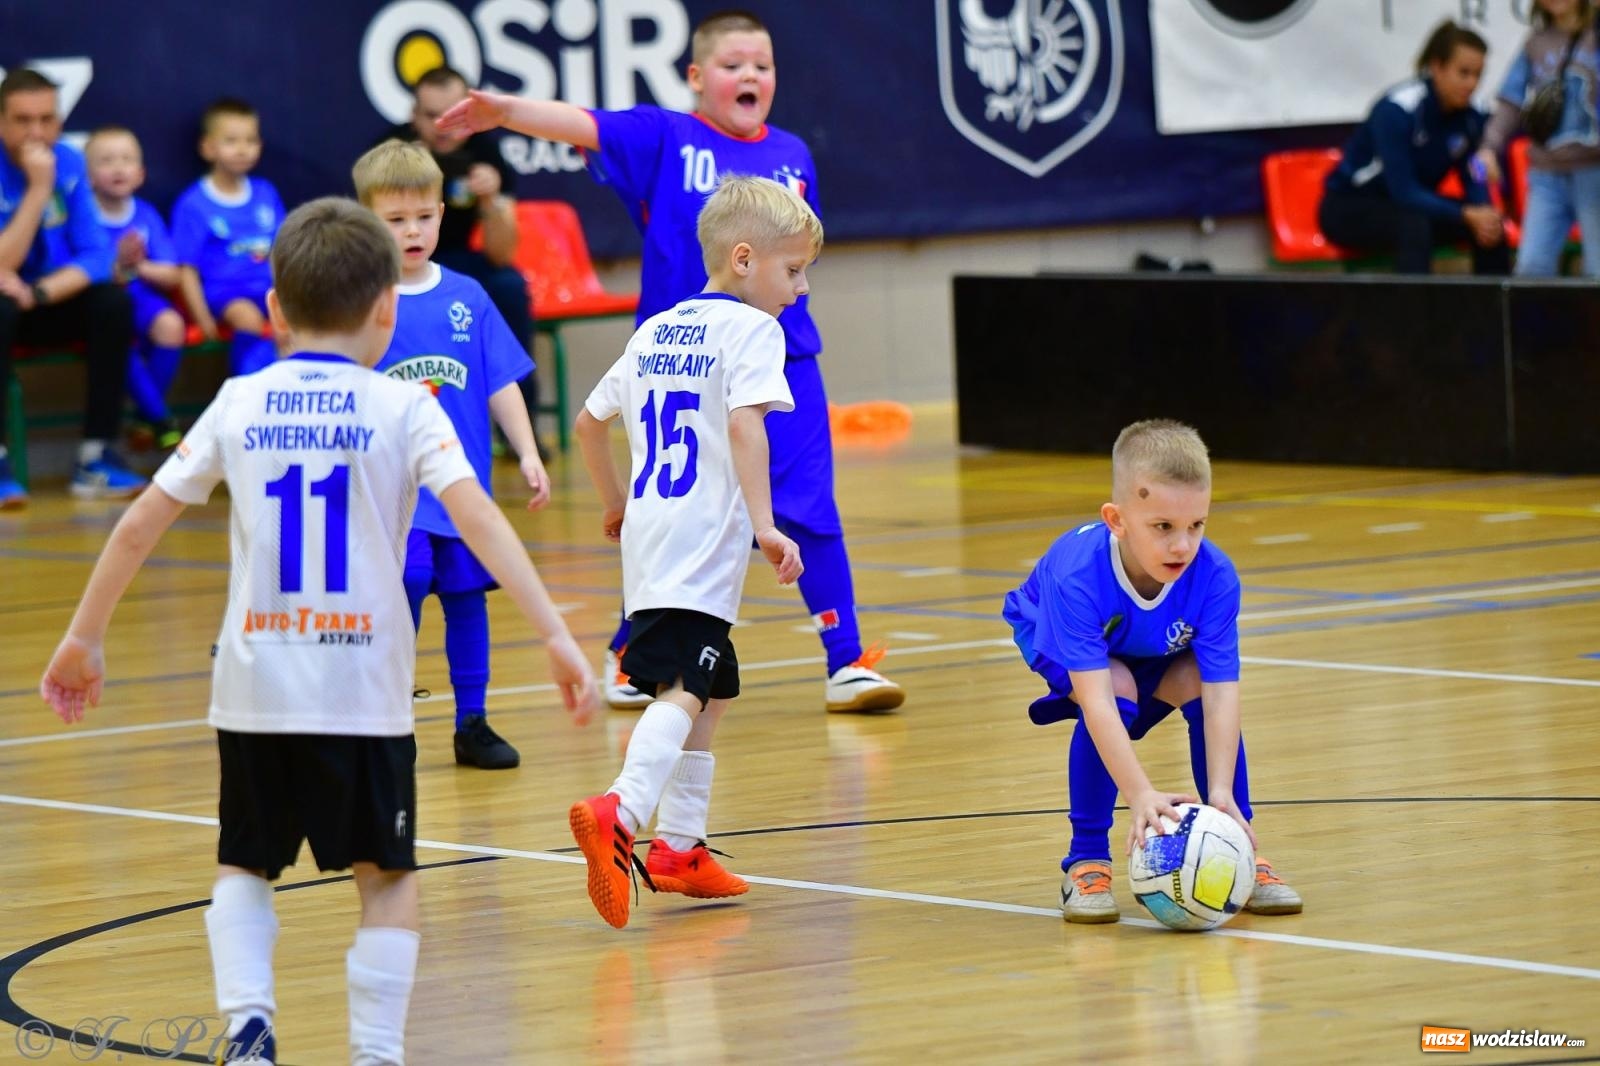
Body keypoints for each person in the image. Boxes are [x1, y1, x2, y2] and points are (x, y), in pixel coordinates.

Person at [39, 197, 598, 1065]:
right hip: (364, 692)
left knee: (244, 867)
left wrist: (84, 636)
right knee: (386, 879)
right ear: (387, 308)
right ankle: (375, 1052)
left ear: (273, 312)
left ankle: (251, 1030)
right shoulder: (406, 407)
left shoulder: (237, 401)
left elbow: (139, 525)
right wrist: (557, 634)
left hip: (256, 688)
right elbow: (481, 521)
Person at [436, 9, 906, 715]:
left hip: (783, 354)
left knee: (809, 505)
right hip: (678, 359)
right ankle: (633, 651)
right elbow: (580, 124)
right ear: (695, 77)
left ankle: (846, 659)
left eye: (763, 65)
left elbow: (796, 260)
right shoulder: (664, 136)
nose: (750, 75)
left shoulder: (794, 155)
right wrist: (504, 110)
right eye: (732, 64)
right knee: (672, 509)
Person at [568, 175, 810, 928]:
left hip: (651, 534)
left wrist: (614, 500)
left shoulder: (654, 329)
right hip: (704, 540)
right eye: (793, 270)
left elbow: (586, 422)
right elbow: (746, 426)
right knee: (685, 685)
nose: (799, 291)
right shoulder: (753, 332)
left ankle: (680, 849)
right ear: (744, 259)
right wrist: (767, 525)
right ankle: (623, 807)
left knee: (715, 685)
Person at [1002, 420, 1302, 925]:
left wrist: (1223, 795)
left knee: (1193, 681)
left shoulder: (1216, 576)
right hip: (1054, 634)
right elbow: (1096, 701)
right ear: (1116, 520)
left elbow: (1223, 691)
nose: (1182, 545)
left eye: (1197, 525)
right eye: (1162, 527)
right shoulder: (1076, 576)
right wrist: (1140, 794)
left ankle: (1241, 847)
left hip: (1146, 638)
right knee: (1116, 688)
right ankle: (1085, 861)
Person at [353, 139, 550, 770]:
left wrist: (527, 451)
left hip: (463, 492)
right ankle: (393, 722)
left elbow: (499, 382)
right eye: (395, 220)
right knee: (404, 585)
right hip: (393, 493)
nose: (412, 232)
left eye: (424, 217)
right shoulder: (361, 302)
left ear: (443, 213)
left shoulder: (468, 294)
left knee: (468, 599)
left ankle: (473, 721)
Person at [0, 67, 145, 506]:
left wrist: (41, 292)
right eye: (23, 120)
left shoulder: (71, 161)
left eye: (47, 119)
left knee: (112, 304)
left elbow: (99, 256)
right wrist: (38, 190)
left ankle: (95, 456)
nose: (37, 132)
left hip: (44, 297)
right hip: (4, 307)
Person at [383, 66, 543, 454]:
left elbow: (501, 253)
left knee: (508, 285)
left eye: (450, 114)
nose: (441, 126)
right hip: (396, 266)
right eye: (430, 115)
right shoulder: (390, 153)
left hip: (460, 262)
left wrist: (491, 201)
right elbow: (363, 232)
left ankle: (520, 431)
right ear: (412, 115)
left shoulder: (486, 154)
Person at [1319, 21, 1510, 275]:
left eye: (1478, 75)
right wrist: (1466, 213)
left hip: (1411, 207)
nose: (1472, 84)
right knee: (1414, 226)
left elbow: (1473, 168)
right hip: (1350, 207)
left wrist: (1483, 210)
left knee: (1491, 228)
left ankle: (1493, 313)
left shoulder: (1472, 115)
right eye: (1463, 73)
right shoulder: (1397, 110)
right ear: (1437, 67)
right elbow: (1404, 191)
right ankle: (1416, 314)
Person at [1476, 0, 1600, 276]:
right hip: (1547, 173)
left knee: (1597, 271)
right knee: (1532, 268)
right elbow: (1511, 101)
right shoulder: (1536, 42)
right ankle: (1536, 321)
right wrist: (1489, 148)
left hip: (1594, 170)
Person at [85, 125, 188, 450]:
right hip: (102, 303)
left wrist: (139, 266)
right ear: (87, 176)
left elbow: (172, 274)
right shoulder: (84, 216)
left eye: (127, 159)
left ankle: (145, 419)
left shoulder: (145, 215)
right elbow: (75, 269)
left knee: (171, 326)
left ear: (140, 173)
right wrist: (114, 265)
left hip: (142, 297)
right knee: (113, 336)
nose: (118, 167)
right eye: (106, 160)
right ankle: (159, 417)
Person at [172, 97, 283, 377]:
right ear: (208, 147)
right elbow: (186, 271)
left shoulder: (265, 192)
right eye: (232, 141)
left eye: (251, 140)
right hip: (227, 293)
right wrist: (203, 319)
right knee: (247, 318)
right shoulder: (194, 203)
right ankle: (247, 395)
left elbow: (285, 251)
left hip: (272, 289)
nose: (243, 149)